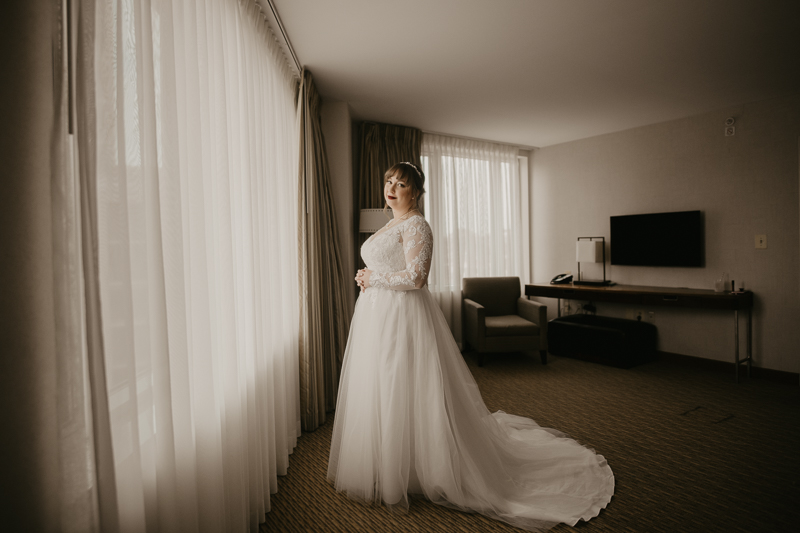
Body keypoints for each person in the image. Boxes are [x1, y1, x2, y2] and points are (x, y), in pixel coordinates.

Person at [327, 162, 614, 531]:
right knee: (381, 385)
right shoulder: (389, 224)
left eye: (402, 183)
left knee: (405, 384)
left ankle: (421, 466)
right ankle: (388, 461)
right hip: (376, 316)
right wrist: (368, 280)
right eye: (389, 181)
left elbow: (416, 278)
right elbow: (388, 266)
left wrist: (373, 277)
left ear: (416, 192)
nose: (393, 188)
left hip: (403, 317)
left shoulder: (418, 224)